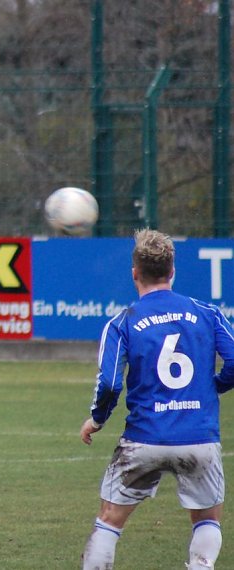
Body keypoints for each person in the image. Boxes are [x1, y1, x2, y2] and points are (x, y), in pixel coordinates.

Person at [79, 229, 234, 570]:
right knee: (207, 519)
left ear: (134, 272)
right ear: (172, 271)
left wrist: (97, 419)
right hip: (199, 438)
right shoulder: (207, 314)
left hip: (143, 439)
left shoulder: (123, 323)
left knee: (109, 519)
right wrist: (215, 387)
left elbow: (108, 384)